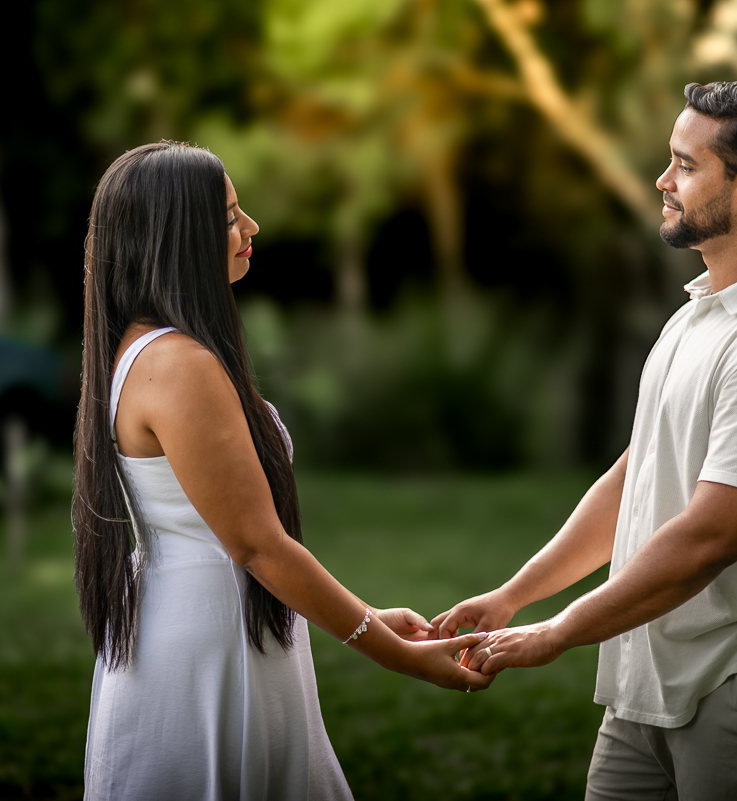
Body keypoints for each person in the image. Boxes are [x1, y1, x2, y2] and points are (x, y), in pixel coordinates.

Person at [433, 81, 737, 800]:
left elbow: (711, 537)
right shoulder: (698, 314)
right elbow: (636, 476)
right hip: (653, 676)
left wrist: (559, 631)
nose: (663, 181)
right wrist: (515, 596)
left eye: (685, 165)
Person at [73, 141, 491, 801]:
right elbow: (257, 545)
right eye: (229, 216)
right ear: (178, 237)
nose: (252, 226)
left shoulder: (147, 349)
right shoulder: (177, 363)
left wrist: (369, 615)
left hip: (213, 622)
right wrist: (399, 655)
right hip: (210, 645)